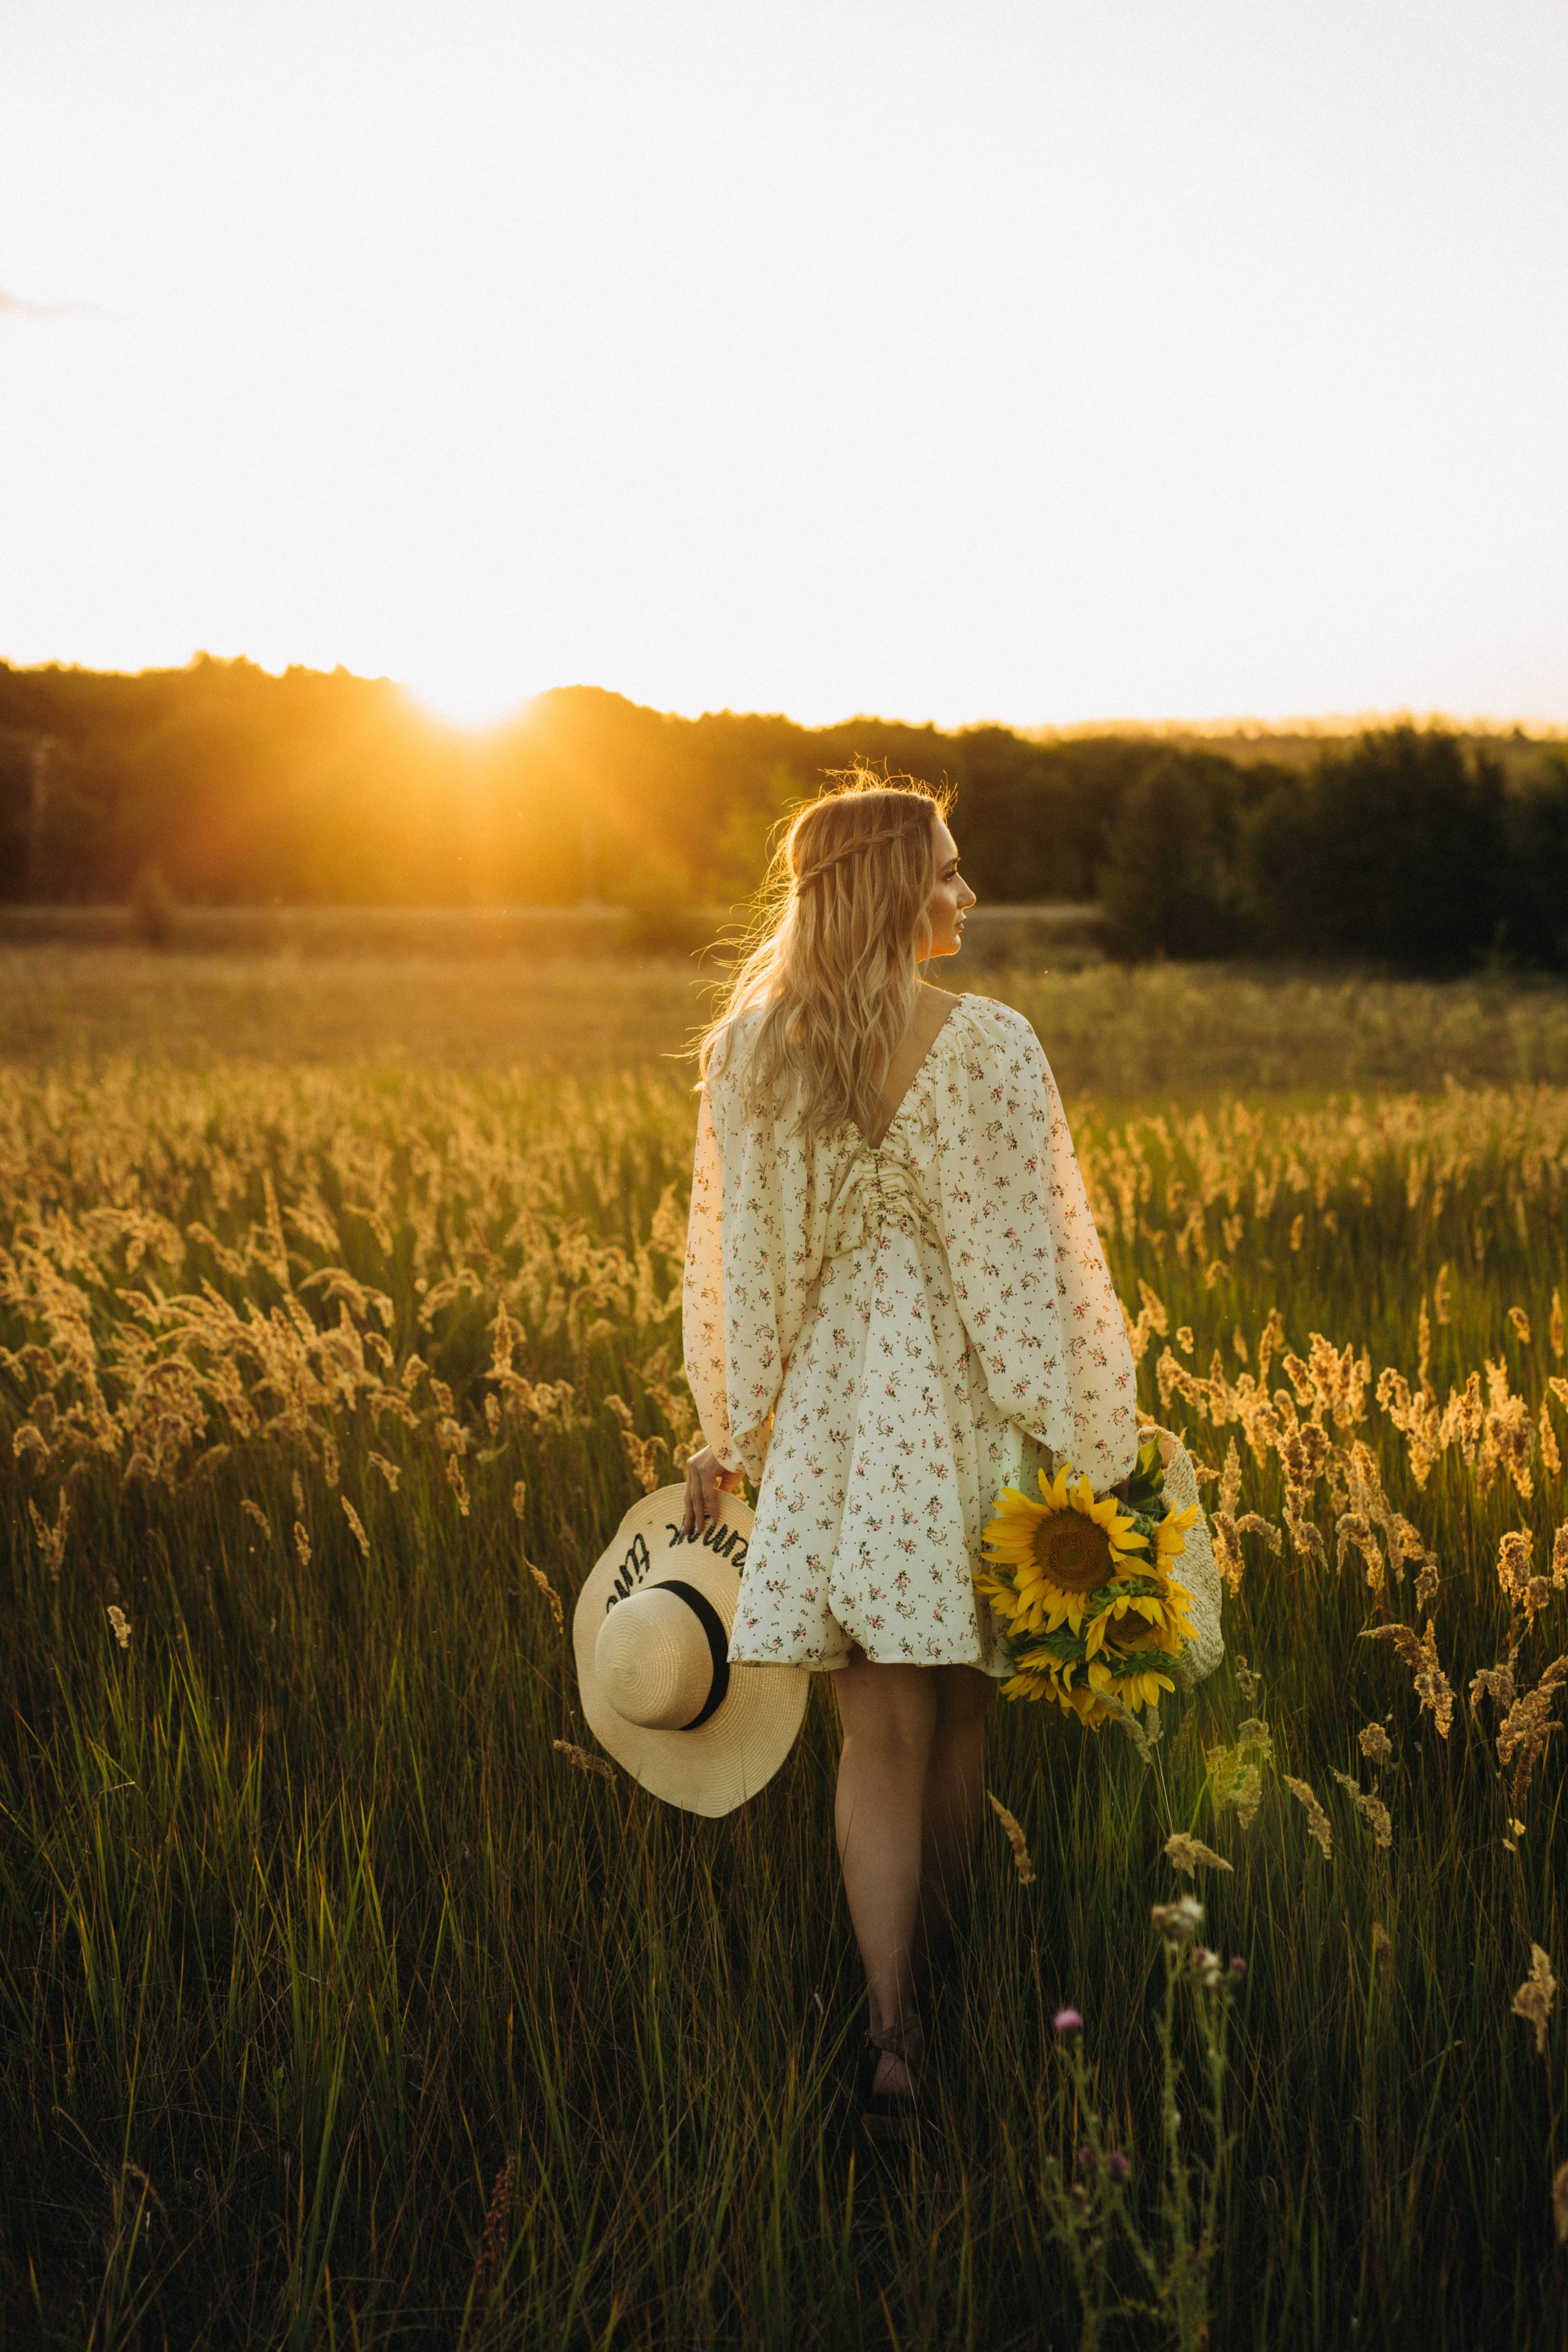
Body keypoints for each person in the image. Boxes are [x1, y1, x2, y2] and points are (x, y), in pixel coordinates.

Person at [680, 773, 1137, 2132]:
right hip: (965, 1410)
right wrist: (1086, 1436)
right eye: (945, 867)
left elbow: (737, 1269)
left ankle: (892, 2031)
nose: (966, 891)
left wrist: (729, 1424)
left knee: (871, 1733)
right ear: (891, 884)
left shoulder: (743, 1055)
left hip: (836, 1423)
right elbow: (1039, 1264)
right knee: (957, 1722)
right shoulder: (991, 1045)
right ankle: (949, 1992)